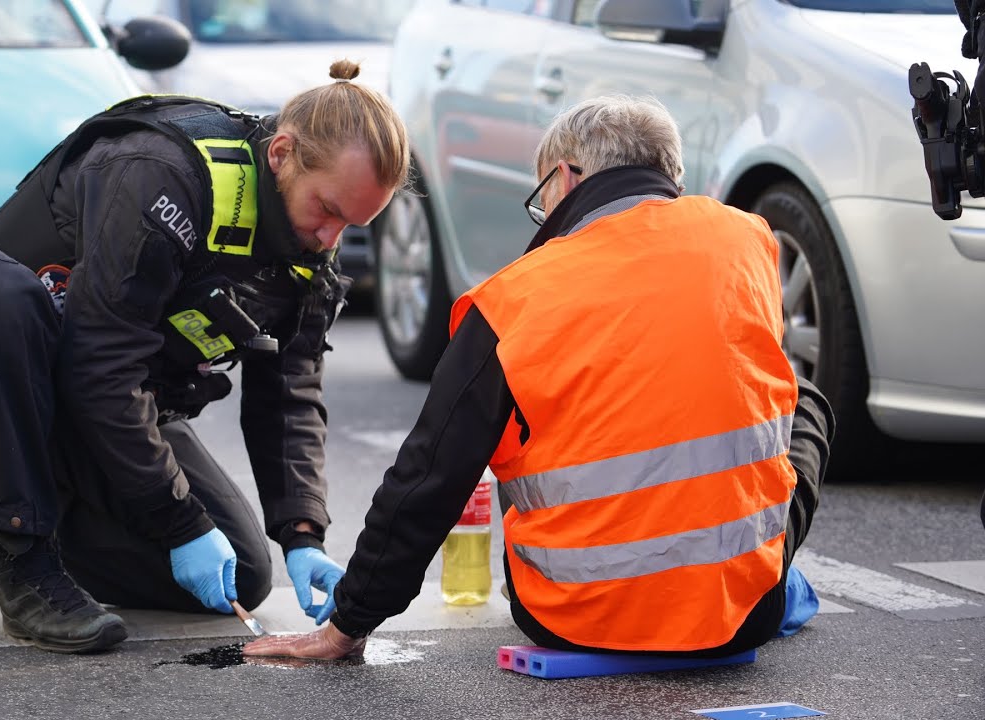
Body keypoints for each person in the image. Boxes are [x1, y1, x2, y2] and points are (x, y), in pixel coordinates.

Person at [243, 94, 834, 661]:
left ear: (566, 179)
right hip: (741, 616)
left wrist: (347, 624)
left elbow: (430, 474)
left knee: (516, 416)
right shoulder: (748, 240)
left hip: (574, 618)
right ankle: (758, 578)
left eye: (542, 197)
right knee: (798, 397)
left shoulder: (513, 298)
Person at [0, 59, 409, 654]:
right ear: (280, 154)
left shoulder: (308, 249)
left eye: (351, 225)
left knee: (243, 576)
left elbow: (289, 398)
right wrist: (178, 521)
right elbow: (99, 363)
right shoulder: (162, 175)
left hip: (119, 395)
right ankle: (24, 561)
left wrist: (303, 534)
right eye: (328, 210)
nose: (331, 239)